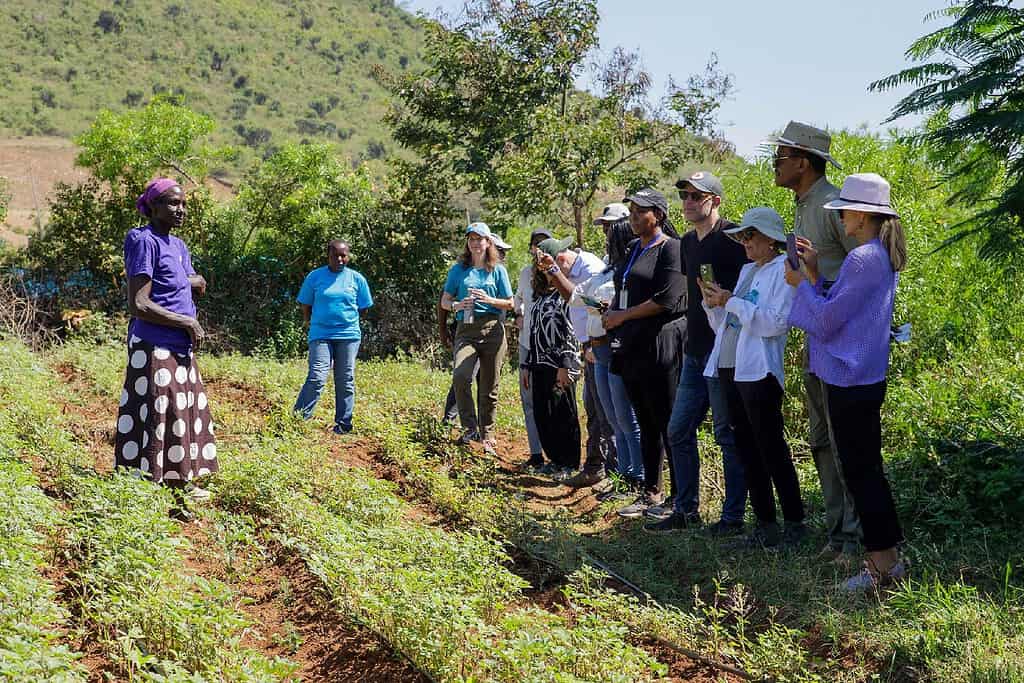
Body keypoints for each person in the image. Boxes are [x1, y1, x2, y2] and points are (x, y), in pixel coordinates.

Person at [785, 172, 908, 591]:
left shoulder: (862, 258)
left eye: (844, 212)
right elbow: (838, 307)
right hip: (862, 375)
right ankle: (888, 558)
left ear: (861, 214)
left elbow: (824, 320)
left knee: (860, 472)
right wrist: (816, 276)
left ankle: (881, 567)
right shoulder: (875, 256)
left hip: (848, 377)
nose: (841, 219)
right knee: (866, 469)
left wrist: (802, 284)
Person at [765, 121, 863, 561]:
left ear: (803, 162)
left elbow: (869, 268)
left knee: (845, 440)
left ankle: (859, 537)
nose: (775, 164)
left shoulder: (834, 206)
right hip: (816, 342)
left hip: (843, 342)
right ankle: (837, 532)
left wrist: (817, 282)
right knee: (821, 439)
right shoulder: (805, 206)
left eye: (781, 157)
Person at [699, 207, 805, 548]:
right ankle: (764, 526)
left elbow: (774, 323)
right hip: (731, 366)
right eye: (742, 236)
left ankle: (794, 524)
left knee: (771, 448)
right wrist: (715, 305)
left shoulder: (782, 270)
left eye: (751, 235)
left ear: (771, 239)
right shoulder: (747, 271)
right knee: (746, 448)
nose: (745, 242)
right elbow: (727, 328)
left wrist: (732, 302)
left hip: (759, 370)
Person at [651, 171, 748, 533]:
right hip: (694, 352)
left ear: (715, 201)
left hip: (724, 353)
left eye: (697, 196)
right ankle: (686, 509)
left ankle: (733, 517)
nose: (689, 202)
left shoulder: (734, 238)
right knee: (678, 430)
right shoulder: (688, 243)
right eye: (685, 196)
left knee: (727, 434)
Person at [116, 178, 216, 522]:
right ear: (153, 207)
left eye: (183, 204)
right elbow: (138, 303)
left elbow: (188, 281)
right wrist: (187, 322)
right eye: (172, 204)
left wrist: (192, 282)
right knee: (161, 416)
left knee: (182, 416)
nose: (181, 210)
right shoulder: (142, 241)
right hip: (154, 343)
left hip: (179, 347)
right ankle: (161, 495)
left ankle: (178, 485)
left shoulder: (178, 245)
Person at [601, 188, 686, 518]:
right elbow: (626, 291)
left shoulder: (671, 249)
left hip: (660, 345)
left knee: (667, 422)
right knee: (646, 421)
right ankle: (651, 490)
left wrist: (623, 315)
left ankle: (679, 497)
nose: (634, 217)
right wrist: (613, 310)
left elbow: (668, 298)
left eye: (641, 212)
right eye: (632, 211)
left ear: (659, 215)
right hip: (632, 345)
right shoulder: (633, 248)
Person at [533, 235, 615, 488]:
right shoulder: (573, 274)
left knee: (608, 414)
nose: (552, 282)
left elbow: (600, 306)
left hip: (603, 347)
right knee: (593, 411)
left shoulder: (591, 268)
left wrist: (588, 344)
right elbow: (578, 302)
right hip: (589, 347)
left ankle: (615, 471)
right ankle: (595, 467)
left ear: (560, 259)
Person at [576, 205, 645, 492]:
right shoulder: (607, 264)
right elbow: (580, 296)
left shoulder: (630, 264)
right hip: (599, 346)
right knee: (613, 418)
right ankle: (624, 475)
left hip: (617, 345)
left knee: (627, 418)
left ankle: (637, 477)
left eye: (610, 226)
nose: (606, 233)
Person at [440, 223, 515, 454]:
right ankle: (469, 428)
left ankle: (488, 435)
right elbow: (444, 301)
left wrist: (489, 300)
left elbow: (510, 303)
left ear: (488, 242)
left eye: (479, 239)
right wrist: (456, 305)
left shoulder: (498, 270)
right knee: (461, 377)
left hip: (493, 329)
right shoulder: (459, 270)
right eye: (471, 239)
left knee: (489, 386)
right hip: (466, 328)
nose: (475, 243)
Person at [293, 240, 374, 434]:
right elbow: (306, 304)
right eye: (335, 255)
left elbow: (364, 308)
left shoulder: (356, 279)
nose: (339, 259)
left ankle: (343, 425)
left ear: (348, 256)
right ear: (328, 256)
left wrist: (348, 322)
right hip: (320, 334)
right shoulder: (315, 277)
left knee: (345, 378)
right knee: (317, 376)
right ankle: (298, 420)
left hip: (348, 335)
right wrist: (309, 322)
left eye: (343, 255)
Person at [522, 256, 582, 474]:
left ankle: (569, 462)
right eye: (542, 270)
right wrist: (527, 364)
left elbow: (571, 332)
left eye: (549, 270)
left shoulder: (564, 296)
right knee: (543, 413)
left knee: (563, 413)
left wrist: (565, 365)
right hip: (539, 363)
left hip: (559, 365)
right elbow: (534, 331)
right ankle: (554, 459)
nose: (545, 273)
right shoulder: (539, 297)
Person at [514, 228, 553, 469]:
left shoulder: (556, 272)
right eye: (536, 244)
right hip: (527, 344)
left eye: (544, 244)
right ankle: (536, 452)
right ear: (530, 248)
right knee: (529, 399)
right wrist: (518, 312)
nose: (539, 248)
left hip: (550, 349)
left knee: (552, 400)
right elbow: (517, 299)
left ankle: (557, 454)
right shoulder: (525, 273)